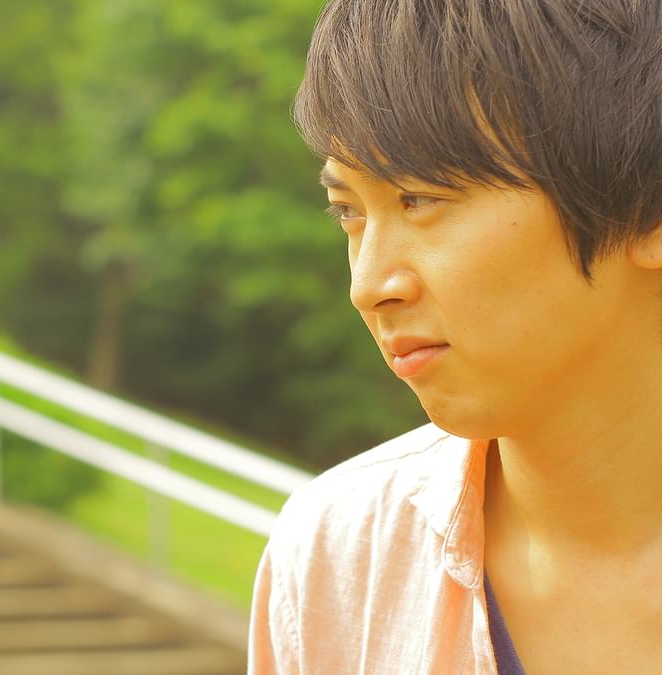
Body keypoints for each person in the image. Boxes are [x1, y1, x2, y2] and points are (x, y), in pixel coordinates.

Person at [250, 1, 662, 672]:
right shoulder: (339, 554)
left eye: (420, 198)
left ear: (647, 210)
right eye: (348, 213)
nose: (369, 285)